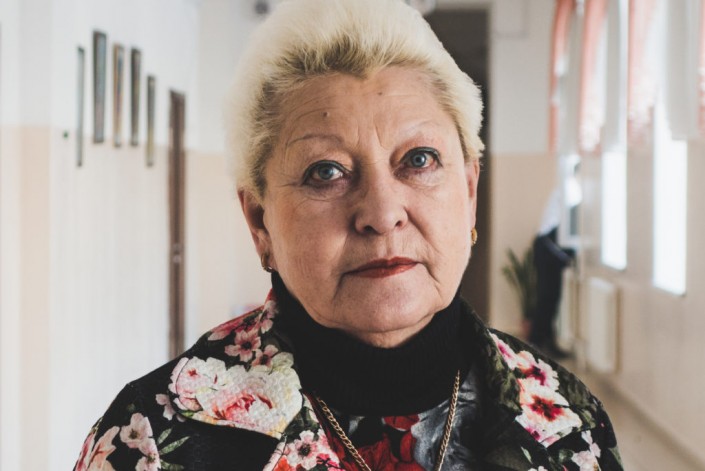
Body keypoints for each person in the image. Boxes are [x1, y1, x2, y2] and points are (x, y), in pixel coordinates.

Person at [74, 1, 622, 469]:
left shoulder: (567, 422)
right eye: (326, 172)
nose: (382, 214)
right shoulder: (150, 440)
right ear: (260, 221)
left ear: (469, 191)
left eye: (419, 160)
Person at [530, 190, 576, 359]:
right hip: (547, 247)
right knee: (546, 298)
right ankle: (535, 345)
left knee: (552, 298)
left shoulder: (567, 192)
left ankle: (546, 342)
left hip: (550, 248)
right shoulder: (566, 192)